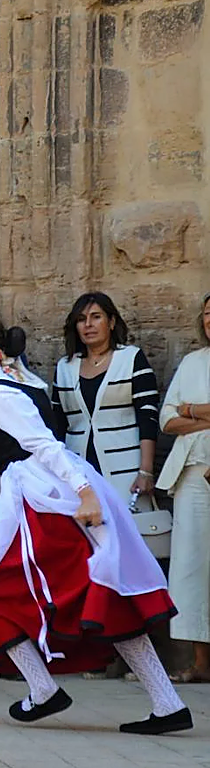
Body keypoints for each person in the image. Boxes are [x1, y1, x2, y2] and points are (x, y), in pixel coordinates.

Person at [0, 314, 191, 735]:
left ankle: (49, 690)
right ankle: (154, 701)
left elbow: (43, 445)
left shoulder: (0, 394)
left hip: (41, 504)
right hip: (38, 498)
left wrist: (85, 492)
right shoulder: (17, 380)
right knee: (97, 594)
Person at [52, 291, 160, 506]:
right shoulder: (65, 367)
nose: (88, 325)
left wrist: (146, 471)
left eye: (96, 317)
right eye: (81, 319)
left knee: (128, 534)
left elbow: (148, 418)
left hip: (126, 470)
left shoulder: (131, 358)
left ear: (111, 322)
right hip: (78, 472)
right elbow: (58, 423)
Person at [159, 291, 210, 684]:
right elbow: (167, 421)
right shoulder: (193, 362)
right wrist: (198, 413)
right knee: (192, 567)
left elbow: (181, 414)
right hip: (192, 475)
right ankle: (199, 664)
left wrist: (190, 410)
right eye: (207, 314)